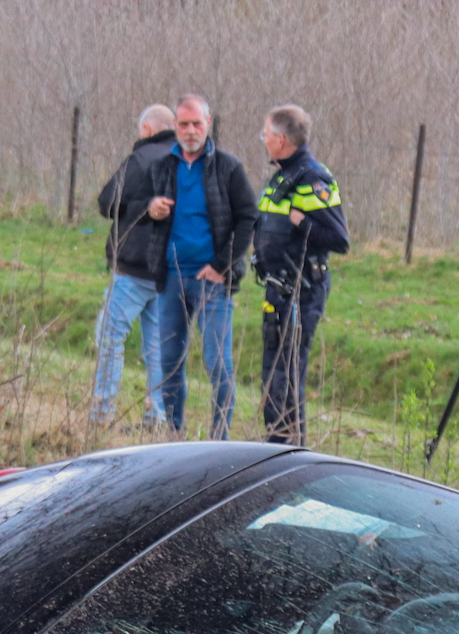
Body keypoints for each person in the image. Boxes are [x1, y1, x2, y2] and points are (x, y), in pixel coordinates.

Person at [151, 95, 258, 438]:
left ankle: (219, 440)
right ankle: (173, 436)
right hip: (171, 278)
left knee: (217, 365)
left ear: (208, 123)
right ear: (174, 127)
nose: (190, 131)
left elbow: (249, 217)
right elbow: (130, 204)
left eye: (197, 123)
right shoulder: (161, 167)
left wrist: (222, 265)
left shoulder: (228, 168)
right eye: (183, 124)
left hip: (212, 280)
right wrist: (150, 208)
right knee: (169, 362)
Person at [251, 104, 347, 445]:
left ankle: (289, 449)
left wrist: (302, 222)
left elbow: (339, 239)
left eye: (265, 135)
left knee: (287, 376)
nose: (263, 140)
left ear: (280, 139)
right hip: (276, 289)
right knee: (272, 375)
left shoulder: (313, 178)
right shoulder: (282, 175)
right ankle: (275, 445)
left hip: (302, 291)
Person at [91, 104, 176, 426]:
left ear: (147, 129)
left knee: (109, 337)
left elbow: (106, 201)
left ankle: (102, 412)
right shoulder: (186, 162)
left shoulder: (141, 159)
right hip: (167, 271)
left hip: (134, 267)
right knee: (156, 345)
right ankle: (157, 416)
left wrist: (133, 207)